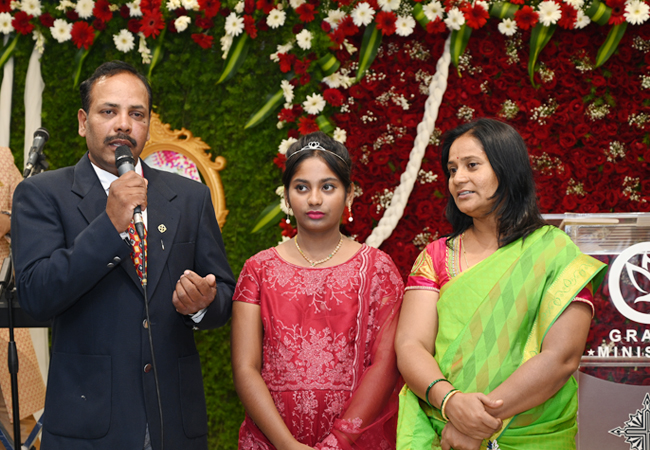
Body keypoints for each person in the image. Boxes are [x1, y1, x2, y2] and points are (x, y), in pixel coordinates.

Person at [11, 61, 236, 449]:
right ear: (84, 121)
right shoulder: (42, 194)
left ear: (148, 124)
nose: (123, 124)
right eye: (108, 111)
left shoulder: (189, 197)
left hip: (174, 422)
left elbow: (226, 295)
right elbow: (35, 296)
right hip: (89, 422)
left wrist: (203, 304)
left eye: (136, 114)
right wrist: (109, 225)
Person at [394, 118, 607, 450]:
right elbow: (410, 345)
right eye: (452, 170)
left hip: (531, 435)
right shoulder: (436, 256)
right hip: (441, 430)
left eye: (471, 165)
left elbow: (561, 357)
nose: (458, 178)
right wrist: (450, 402)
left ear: (507, 169)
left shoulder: (555, 253)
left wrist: (475, 423)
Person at [232, 131, 404, 450]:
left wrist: (338, 442)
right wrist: (286, 444)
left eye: (327, 187)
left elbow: (386, 364)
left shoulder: (378, 269)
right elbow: (245, 368)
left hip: (357, 439)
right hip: (272, 440)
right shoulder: (258, 269)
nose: (314, 199)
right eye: (301, 187)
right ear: (286, 196)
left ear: (349, 193)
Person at [0, 146, 45, 448]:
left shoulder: (3, 159)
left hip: (2, 306)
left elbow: (29, 213)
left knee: (13, 416)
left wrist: (6, 219)